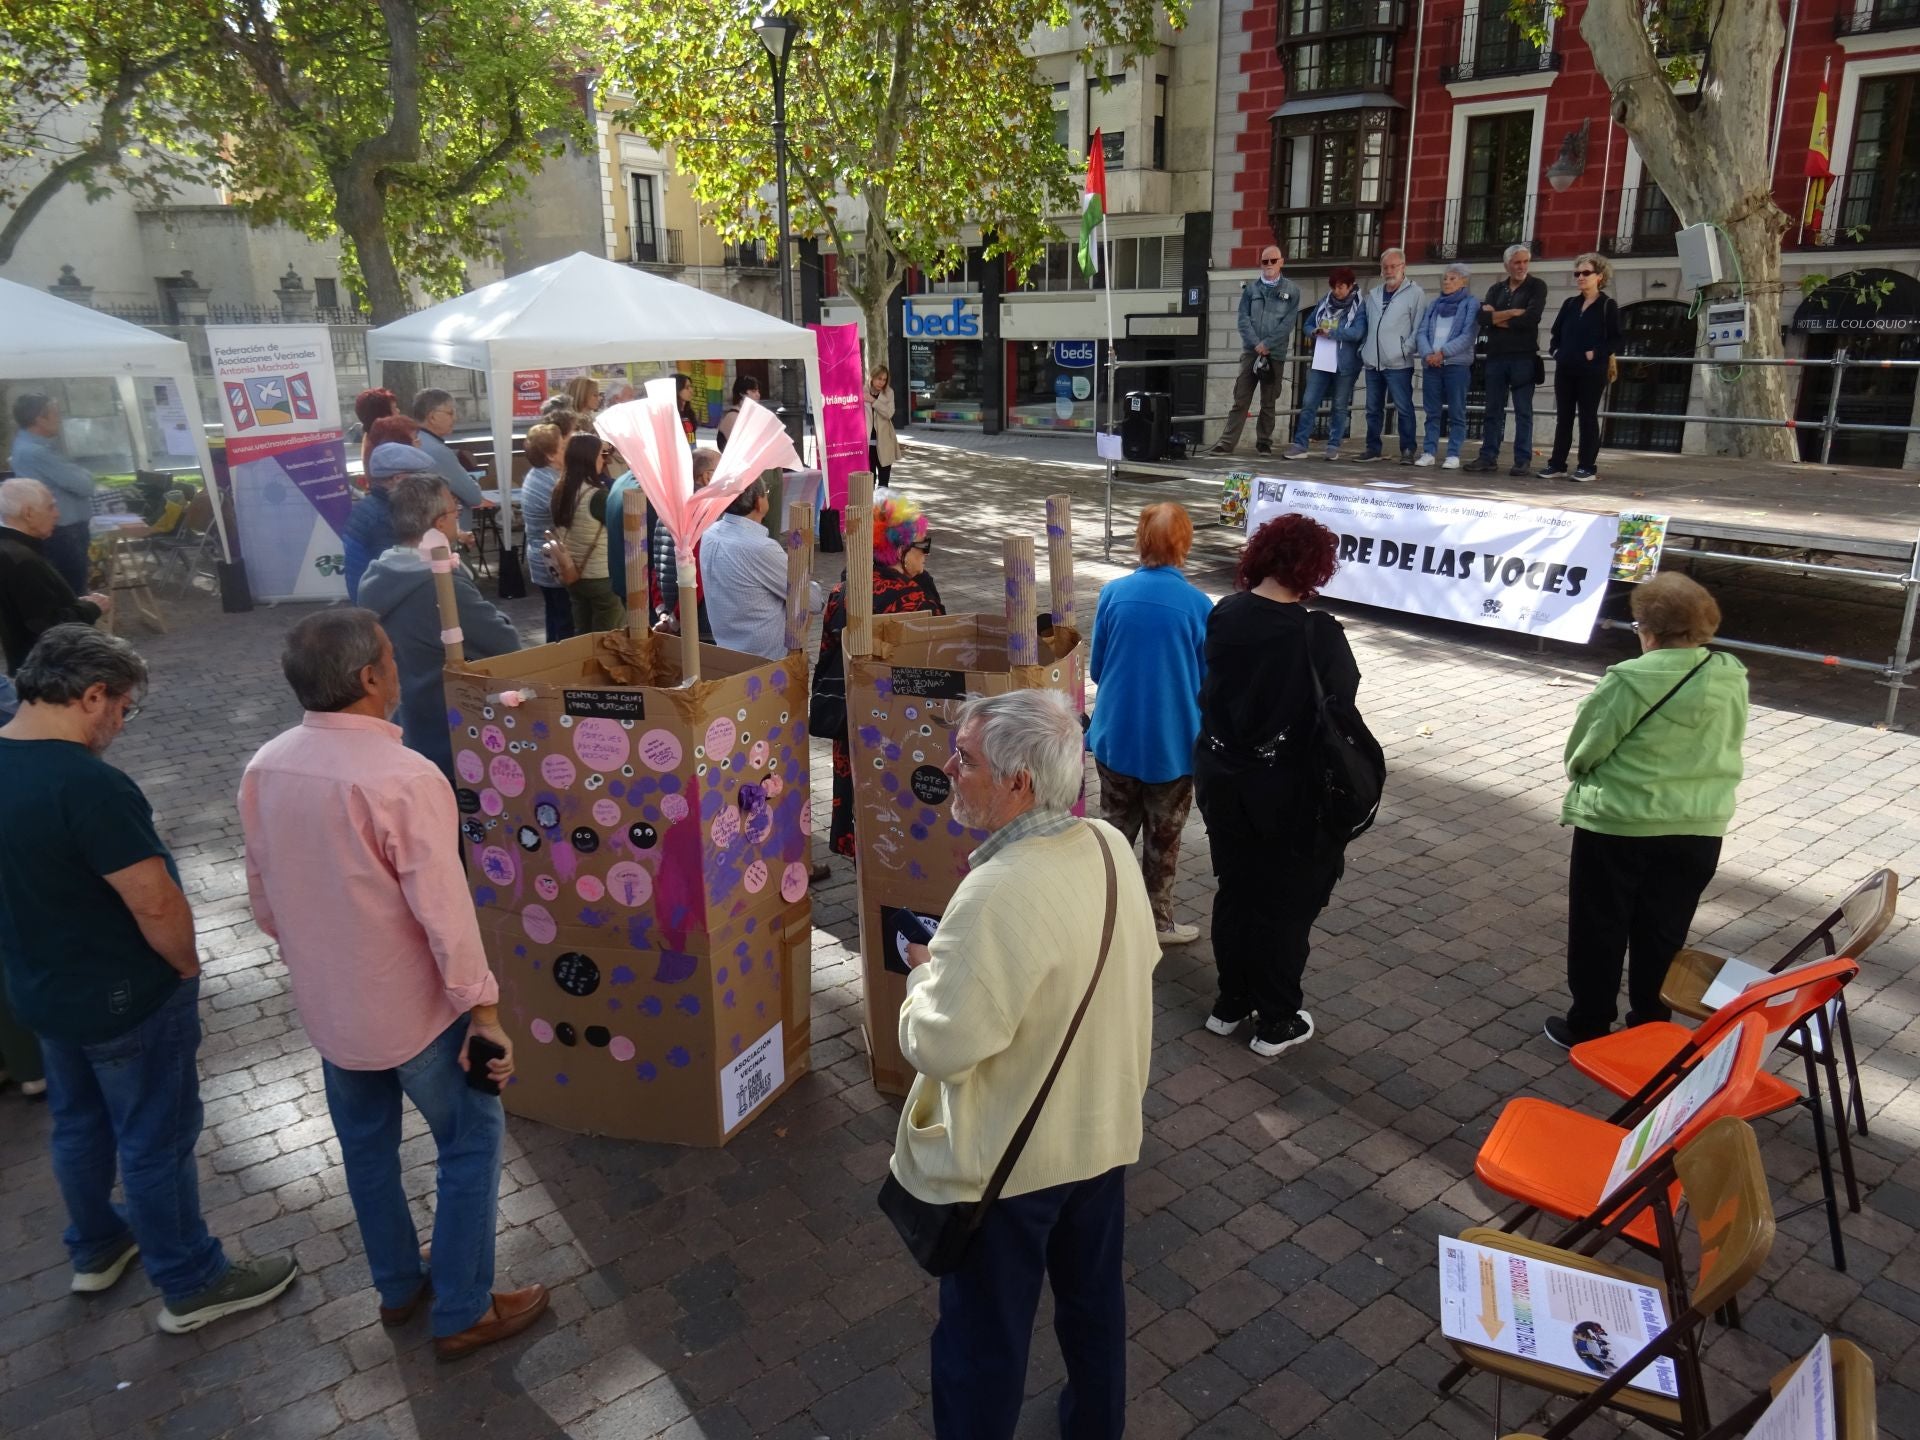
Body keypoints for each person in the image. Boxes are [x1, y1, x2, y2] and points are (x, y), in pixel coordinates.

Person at [239, 609, 549, 1359]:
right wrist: (485, 1011)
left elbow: (265, 900)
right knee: (470, 1143)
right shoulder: (404, 777)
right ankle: (464, 1309)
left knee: (368, 1149)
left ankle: (398, 1285)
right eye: (389, 655)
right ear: (371, 677)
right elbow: (446, 914)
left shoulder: (266, 766)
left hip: (331, 1008)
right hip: (415, 1011)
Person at [0, 625, 297, 1331]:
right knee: (155, 1137)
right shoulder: (89, 785)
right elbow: (152, 898)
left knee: (77, 1122)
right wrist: (186, 966)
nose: (121, 725)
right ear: (92, 694)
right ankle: (192, 1279)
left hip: (42, 988)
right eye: (123, 709)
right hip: (124, 993)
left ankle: (97, 1245)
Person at [889, 688, 1158, 1440]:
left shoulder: (997, 889)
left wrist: (921, 973)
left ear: (1018, 784)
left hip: (1011, 1168)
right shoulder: (1106, 845)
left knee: (983, 1345)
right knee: (1093, 1311)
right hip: (1102, 1136)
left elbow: (937, 1045)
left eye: (965, 759)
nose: (947, 768)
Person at [1548, 574, 1748, 1048]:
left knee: (1601, 925)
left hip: (1620, 822)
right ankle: (1652, 1024)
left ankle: (1590, 1022)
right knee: (1665, 928)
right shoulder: (1730, 672)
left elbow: (1584, 751)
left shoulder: (1629, 679)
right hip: (1699, 822)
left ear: (1649, 630)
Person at [1193, 514, 1359, 1059]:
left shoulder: (1226, 613)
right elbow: (1340, 711)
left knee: (1237, 889)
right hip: (1287, 791)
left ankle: (1229, 1002)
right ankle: (1277, 1020)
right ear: (1314, 567)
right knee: (1286, 905)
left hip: (1223, 780)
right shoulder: (1319, 634)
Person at [1087, 503, 1213, 946]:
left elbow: (1098, 669)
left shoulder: (1113, 594)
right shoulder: (1200, 606)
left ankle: (1108, 917)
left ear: (1140, 540)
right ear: (1185, 544)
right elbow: (1207, 682)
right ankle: (1157, 922)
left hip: (1116, 737)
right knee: (1164, 842)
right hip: (1173, 745)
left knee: (1114, 830)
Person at [359, 476, 522, 782]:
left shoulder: (379, 574)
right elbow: (505, 642)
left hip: (411, 718)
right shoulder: (441, 585)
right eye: (454, 509)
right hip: (454, 725)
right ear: (439, 523)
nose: (457, 515)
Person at [816, 498, 944, 857]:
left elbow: (828, 651)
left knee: (859, 789)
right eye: (923, 548)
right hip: (900, 725)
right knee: (896, 798)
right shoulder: (916, 597)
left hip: (853, 719)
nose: (926, 556)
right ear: (900, 550)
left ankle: (859, 856)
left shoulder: (843, 591)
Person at [701, 476, 820, 661]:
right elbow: (811, 600)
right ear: (758, 502)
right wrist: (811, 584)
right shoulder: (760, 547)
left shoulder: (709, 534)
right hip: (765, 658)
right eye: (766, 494)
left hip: (726, 648)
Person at [1, 478, 109, 674]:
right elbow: (48, 627)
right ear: (28, 513)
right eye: (51, 507)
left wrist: (73, 604)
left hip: (35, 668)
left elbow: (35, 609)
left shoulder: (12, 549)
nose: (57, 515)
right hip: (51, 673)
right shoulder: (22, 560)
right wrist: (91, 607)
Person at [1210, 245, 1302, 457]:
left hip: (1275, 354)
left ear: (1281, 262)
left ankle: (1264, 443)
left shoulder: (1292, 290)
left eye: (1273, 261)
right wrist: (1256, 344)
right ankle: (1226, 443)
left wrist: (1268, 344)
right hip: (1251, 353)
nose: (1268, 265)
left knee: (1268, 401)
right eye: (1264, 261)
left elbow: (1288, 323)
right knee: (1240, 398)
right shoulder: (1251, 289)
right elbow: (1243, 319)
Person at [1540, 253, 1624, 482]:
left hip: (1592, 371)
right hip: (1566, 369)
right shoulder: (1569, 304)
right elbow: (1555, 334)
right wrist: (1556, 352)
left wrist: (1595, 353)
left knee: (1588, 417)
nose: (1580, 277)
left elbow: (1617, 340)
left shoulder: (1607, 305)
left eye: (1586, 273)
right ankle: (1557, 464)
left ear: (1599, 276)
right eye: (1577, 273)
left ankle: (1587, 466)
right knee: (1563, 418)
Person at [7, 393, 99, 593]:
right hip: (62, 533)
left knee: (68, 590)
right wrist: (83, 474)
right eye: (56, 414)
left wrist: (79, 473)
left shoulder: (35, 447)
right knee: (72, 593)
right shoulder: (36, 452)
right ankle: (75, 624)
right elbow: (85, 485)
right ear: (40, 419)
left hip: (62, 531)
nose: (60, 419)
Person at [1470, 245, 1548, 475]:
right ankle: (1488, 457)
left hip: (1523, 357)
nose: (1521, 266)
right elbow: (1482, 317)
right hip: (1496, 357)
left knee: (1523, 410)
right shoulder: (1496, 289)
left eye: (1525, 261)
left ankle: (1522, 460)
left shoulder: (1537, 286)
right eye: (1517, 262)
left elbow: (1531, 318)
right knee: (1492, 409)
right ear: (1507, 265)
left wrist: (1497, 318)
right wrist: (1514, 312)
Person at [1282, 268, 1367, 461]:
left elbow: (1357, 332)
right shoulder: (1324, 301)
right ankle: (1300, 444)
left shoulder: (1360, 306)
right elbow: (1307, 325)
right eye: (1334, 287)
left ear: (1350, 286)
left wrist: (1333, 334)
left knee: (1339, 404)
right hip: (1322, 361)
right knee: (1309, 400)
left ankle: (1333, 445)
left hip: (1346, 364)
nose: (1337, 291)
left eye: (1341, 287)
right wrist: (1315, 332)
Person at [1356, 248, 1426, 465]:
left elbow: (1419, 326)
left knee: (1403, 407)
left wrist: (1405, 349)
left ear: (1403, 267)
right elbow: (1365, 324)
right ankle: (1373, 448)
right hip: (1373, 362)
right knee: (1372, 408)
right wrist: (1363, 349)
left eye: (1393, 266)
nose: (1388, 271)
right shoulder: (1374, 294)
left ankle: (1407, 449)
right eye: (1385, 267)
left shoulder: (1416, 294)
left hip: (1398, 363)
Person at [549, 433, 623, 633]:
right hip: (601, 576)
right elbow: (621, 530)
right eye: (601, 454)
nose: (604, 459)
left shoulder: (560, 490)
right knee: (608, 638)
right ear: (589, 458)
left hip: (573, 572)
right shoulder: (597, 496)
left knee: (582, 634)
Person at [344, 442, 432, 603]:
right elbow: (398, 572)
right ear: (398, 479)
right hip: (380, 605)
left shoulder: (369, 506)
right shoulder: (387, 516)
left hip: (367, 596)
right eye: (420, 475)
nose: (425, 481)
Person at [1414, 263, 1478, 469]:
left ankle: (1453, 453)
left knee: (1456, 411)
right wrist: (1427, 354)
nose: (1447, 282)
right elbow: (1422, 331)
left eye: (1453, 278)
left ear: (1463, 282)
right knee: (1432, 411)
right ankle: (1429, 451)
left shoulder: (1470, 304)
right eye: (1446, 278)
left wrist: (1443, 353)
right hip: (1432, 364)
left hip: (1456, 365)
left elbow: (1468, 335)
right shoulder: (1434, 305)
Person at [517, 423, 572, 643]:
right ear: (550, 455)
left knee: (553, 615)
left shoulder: (535, 475)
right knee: (564, 620)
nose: (565, 450)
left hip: (541, 556)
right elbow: (570, 517)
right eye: (561, 447)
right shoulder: (551, 482)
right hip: (552, 560)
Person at [409, 388, 492, 524]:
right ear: (432, 417)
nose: (455, 418)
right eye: (450, 413)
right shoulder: (437, 451)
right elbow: (473, 496)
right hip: (445, 528)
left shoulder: (418, 440)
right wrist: (472, 482)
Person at [354, 388, 401, 475]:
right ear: (384, 416)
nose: (398, 411)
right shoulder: (384, 445)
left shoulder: (371, 436)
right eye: (394, 408)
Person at [867, 366, 901, 486]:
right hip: (866, 444)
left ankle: (881, 505)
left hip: (884, 442)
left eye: (884, 379)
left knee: (884, 482)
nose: (881, 382)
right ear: (872, 377)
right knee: (868, 482)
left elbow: (889, 413)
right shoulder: (861, 391)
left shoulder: (889, 392)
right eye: (879, 378)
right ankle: (869, 505)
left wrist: (873, 401)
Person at [717, 375, 759, 452]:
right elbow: (741, 448)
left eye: (758, 391)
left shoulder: (747, 414)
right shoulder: (733, 416)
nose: (758, 395)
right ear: (742, 393)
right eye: (753, 391)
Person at [675, 373, 699, 444]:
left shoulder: (690, 413)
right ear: (677, 389)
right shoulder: (671, 414)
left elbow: (692, 441)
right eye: (687, 388)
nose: (691, 391)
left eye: (691, 387)